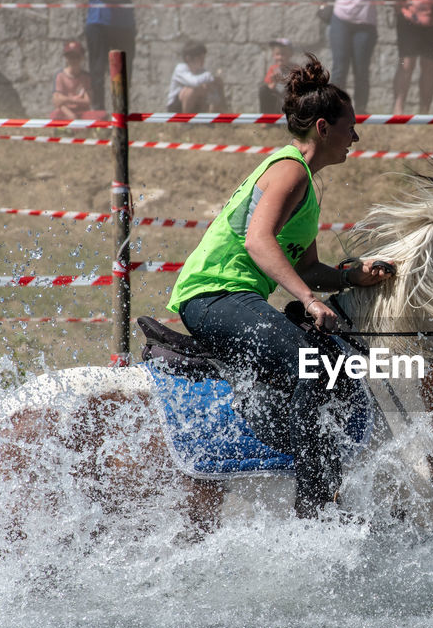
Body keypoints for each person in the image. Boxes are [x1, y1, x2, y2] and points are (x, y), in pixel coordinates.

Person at [167, 56, 395, 519]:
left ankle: (309, 473)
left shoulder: (306, 182)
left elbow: (307, 267)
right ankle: (313, 509)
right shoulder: (290, 170)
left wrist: (351, 275)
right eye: (352, 126)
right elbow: (258, 241)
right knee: (314, 367)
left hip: (234, 297)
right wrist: (308, 301)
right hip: (212, 297)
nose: (358, 137)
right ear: (325, 128)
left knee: (334, 364)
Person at [83, 0, 140, 110]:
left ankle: (120, 113)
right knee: (98, 71)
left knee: (123, 72)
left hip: (124, 24)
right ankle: (99, 113)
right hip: (100, 22)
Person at [328, 0, 382, 113]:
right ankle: (335, 108)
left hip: (365, 24)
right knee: (339, 67)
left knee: (361, 69)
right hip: (341, 20)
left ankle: (360, 109)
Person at [165, 40, 224, 113]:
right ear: (188, 58)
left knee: (206, 87)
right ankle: (185, 121)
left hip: (196, 105)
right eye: (200, 58)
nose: (203, 61)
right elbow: (194, 82)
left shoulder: (202, 72)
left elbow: (212, 94)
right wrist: (210, 77)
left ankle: (205, 119)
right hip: (176, 107)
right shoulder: (180, 68)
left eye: (203, 58)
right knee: (191, 90)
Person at [51, 40, 91, 119]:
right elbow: (56, 101)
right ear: (66, 58)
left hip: (82, 111)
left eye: (76, 57)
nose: (73, 60)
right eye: (70, 57)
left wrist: (66, 99)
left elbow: (88, 101)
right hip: (66, 111)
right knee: (55, 115)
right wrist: (70, 115)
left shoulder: (86, 77)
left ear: (82, 57)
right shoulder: (60, 75)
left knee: (99, 116)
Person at [258, 37, 294, 112]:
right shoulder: (273, 69)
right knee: (263, 89)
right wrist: (274, 82)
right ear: (273, 55)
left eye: (283, 54)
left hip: (291, 103)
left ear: (290, 54)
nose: (280, 57)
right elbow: (269, 90)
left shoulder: (295, 69)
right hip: (277, 104)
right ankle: (266, 120)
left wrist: (285, 81)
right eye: (277, 54)